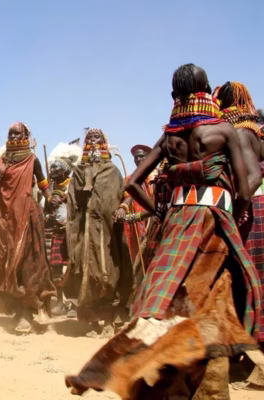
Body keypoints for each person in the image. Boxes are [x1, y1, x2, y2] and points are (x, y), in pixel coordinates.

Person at [66, 64, 263, 399]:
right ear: (206, 91)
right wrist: (233, 214)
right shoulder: (223, 131)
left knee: (164, 301)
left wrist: (160, 211)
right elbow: (245, 190)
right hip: (212, 225)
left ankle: (132, 372)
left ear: (175, 95)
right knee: (210, 302)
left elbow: (133, 183)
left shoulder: (170, 137)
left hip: (175, 225)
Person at [0, 122, 57, 333]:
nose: (14, 137)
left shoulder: (32, 159)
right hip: (4, 218)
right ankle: (16, 309)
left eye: (18, 134)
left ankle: (27, 312)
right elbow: (0, 188)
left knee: (27, 263)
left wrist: (50, 197)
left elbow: (43, 183)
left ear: (25, 136)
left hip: (27, 217)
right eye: (11, 134)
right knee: (6, 262)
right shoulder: (1, 160)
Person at [217, 81, 264, 386]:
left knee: (248, 281)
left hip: (253, 211)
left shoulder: (238, 132)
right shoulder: (254, 131)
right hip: (258, 207)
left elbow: (253, 174)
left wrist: (238, 207)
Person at [65, 128, 132, 336]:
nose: (93, 141)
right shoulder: (78, 172)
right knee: (89, 275)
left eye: (98, 138)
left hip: (109, 232)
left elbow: (126, 195)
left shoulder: (113, 171)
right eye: (90, 138)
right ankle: (93, 322)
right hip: (86, 232)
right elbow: (73, 203)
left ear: (104, 143)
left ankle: (110, 321)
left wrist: (123, 208)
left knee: (110, 273)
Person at [45, 142, 81, 316]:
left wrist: (66, 199)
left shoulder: (74, 184)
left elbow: (80, 205)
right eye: (51, 168)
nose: (52, 170)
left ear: (65, 171)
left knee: (73, 267)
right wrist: (48, 216)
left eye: (56, 168)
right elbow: (46, 210)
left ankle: (73, 304)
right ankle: (59, 303)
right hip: (57, 232)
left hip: (73, 232)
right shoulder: (50, 188)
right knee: (56, 268)